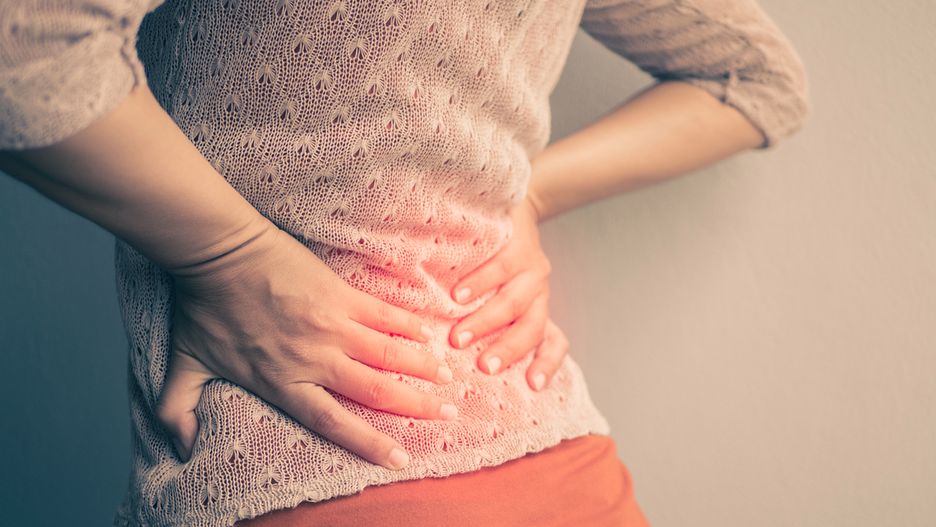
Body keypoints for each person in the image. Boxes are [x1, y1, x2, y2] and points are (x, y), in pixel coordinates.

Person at [0, 0, 809, 525]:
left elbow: (20, 50)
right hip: (570, 475)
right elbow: (758, 80)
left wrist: (231, 256)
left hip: (309, 479)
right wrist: (526, 194)